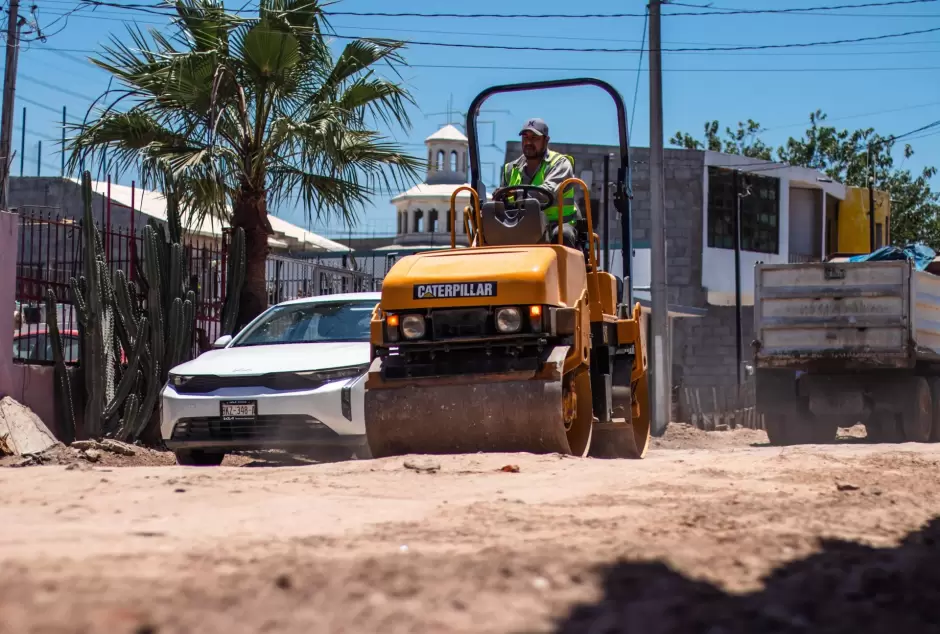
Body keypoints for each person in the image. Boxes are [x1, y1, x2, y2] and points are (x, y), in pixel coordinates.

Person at [500, 118, 579, 248]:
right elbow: (502, 197)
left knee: (563, 234)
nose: (528, 142)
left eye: (535, 138)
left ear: (546, 140)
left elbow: (546, 193)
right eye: (525, 138)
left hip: (555, 224)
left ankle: (562, 267)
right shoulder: (510, 168)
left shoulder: (560, 163)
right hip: (521, 223)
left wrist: (515, 194)